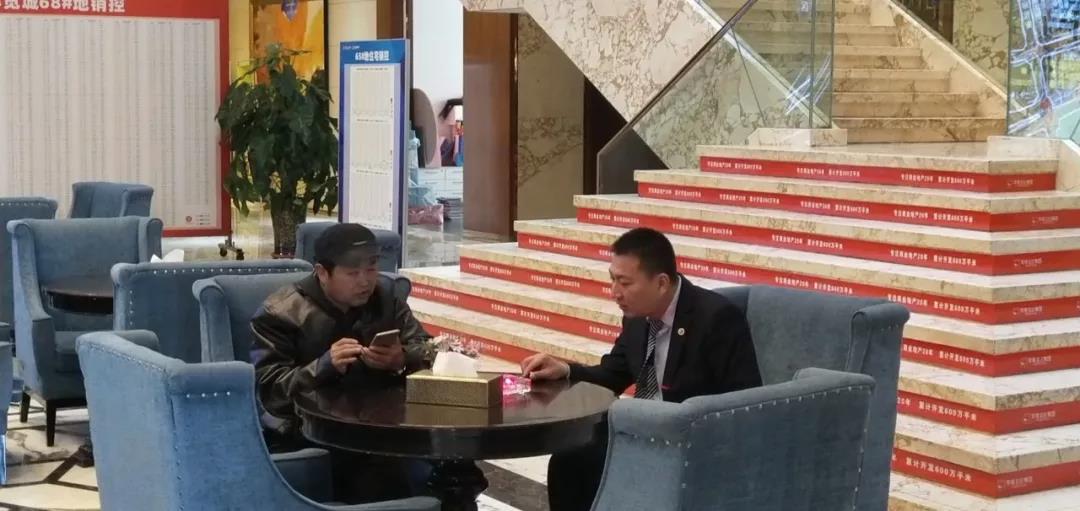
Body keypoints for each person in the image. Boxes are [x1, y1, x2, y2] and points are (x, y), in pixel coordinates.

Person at [520, 227, 762, 511]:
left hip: (689, 440)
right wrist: (566, 369)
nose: (615, 293)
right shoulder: (637, 318)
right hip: (642, 430)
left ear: (661, 283)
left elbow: (744, 400)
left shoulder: (716, 318)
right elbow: (613, 374)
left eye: (624, 283)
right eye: (612, 280)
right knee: (569, 460)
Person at [251, 223, 431, 504]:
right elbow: (270, 391)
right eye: (352, 273)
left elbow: (429, 349)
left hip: (382, 426)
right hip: (311, 432)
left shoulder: (384, 299)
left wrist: (402, 358)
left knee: (450, 462)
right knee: (377, 474)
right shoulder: (281, 313)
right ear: (322, 273)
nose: (365, 281)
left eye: (371, 269)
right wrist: (322, 366)